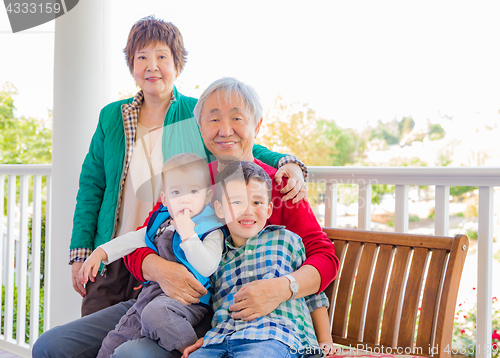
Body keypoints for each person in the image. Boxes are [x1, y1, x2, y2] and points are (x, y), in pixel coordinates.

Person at [32, 78, 336, 358]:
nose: (225, 129)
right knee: (50, 346)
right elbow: (145, 236)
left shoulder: (276, 186)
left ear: (257, 124)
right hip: (155, 298)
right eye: (213, 119)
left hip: (215, 314)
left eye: (237, 118)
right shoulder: (192, 179)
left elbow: (324, 255)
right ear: (200, 128)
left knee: (130, 355)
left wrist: (282, 288)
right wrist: (160, 269)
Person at [68, 15, 308, 317]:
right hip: (116, 249)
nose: (151, 66)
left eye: (161, 57)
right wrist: (80, 252)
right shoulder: (112, 116)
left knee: (145, 331)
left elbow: (238, 143)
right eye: (141, 57)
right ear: (131, 65)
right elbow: (92, 186)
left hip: (170, 250)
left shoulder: (195, 113)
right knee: (94, 330)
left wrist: (287, 163)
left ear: (177, 65)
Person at [181, 161, 332, 358]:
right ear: (220, 210)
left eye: (257, 202)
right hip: (220, 340)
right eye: (237, 202)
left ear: (269, 210)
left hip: (275, 337)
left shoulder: (286, 240)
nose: (248, 210)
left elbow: (313, 295)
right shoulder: (216, 256)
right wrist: (209, 338)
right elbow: (218, 307)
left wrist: (325, 341)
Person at [79, 153, 224, 357]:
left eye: (193, 191)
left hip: (187, 302)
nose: (185, 198)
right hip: (150, 297)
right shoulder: (161, 223)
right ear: (164, 199)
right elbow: (133, 239)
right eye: (176, 192)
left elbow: (208, 266)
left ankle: (193, 350)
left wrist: (188, 234)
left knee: (156, 314)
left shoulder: (210, 229)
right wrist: (101, 253)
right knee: (112, 343)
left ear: (207, 196)